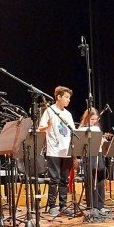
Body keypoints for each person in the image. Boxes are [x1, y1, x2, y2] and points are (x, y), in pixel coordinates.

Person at [38, 86, 76, 217]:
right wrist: (47, 127)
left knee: (64, 180)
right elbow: (40, 128)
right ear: (58, 97)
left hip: (66, 151)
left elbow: (73, 132)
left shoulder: (68, 114)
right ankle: (52, 206)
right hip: (53, 150)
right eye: (66, 97)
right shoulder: (49, 111)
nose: (68, 100)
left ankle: (63, 205)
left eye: (69, 98)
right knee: (54, 179)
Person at [78, 108, 108, 215]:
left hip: (99, 154)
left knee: (100, 179)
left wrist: (103, 140)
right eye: (92, 119)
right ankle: (92, 205)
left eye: (96, 119)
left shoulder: (97, 128)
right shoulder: (82, 129)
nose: (94, 121)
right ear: (87, 119)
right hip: (89, 155)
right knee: (90, 180)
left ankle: (101, 205)